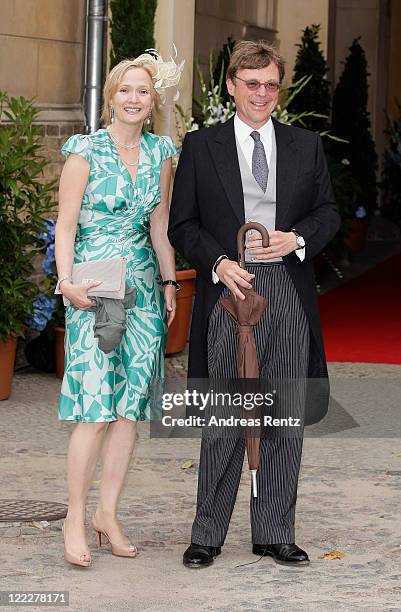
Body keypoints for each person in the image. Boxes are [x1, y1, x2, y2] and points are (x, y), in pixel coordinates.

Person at [168, 40, 340, 568]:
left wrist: (298, 240)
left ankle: (274, 532)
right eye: (251, 84)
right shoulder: (201, 146)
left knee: (284, 410)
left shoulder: (305, 145)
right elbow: (183, 224)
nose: (262, 93)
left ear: (278, 88)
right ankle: (208, 533)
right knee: (224, 411)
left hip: (285, 287)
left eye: (270, 84)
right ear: (231, 87)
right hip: (228, 292)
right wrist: (218, 264)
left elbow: (328, 213)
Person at [55, 50, 183, 567]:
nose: (134, 99)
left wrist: (171, 281)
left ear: (153, 102)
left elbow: (160, 228)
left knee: (129, 408)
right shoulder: (84, 151)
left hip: (146, 290)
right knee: (93, 407)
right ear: (111, 98)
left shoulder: (161, 153)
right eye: (125, 90)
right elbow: (65, 223)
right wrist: (66, 283)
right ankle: (72, 516)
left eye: (143, 91)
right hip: (94, 286)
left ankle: (107, 513)